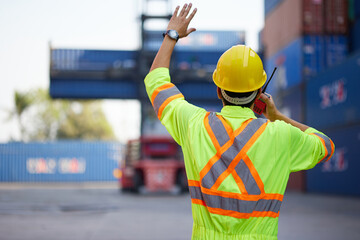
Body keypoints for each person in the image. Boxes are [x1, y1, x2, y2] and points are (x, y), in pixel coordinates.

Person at [144, 3, 335, 240]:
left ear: (218, 90)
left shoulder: (194, 125)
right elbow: (325, 145)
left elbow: (156, 83)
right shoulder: (281, 135)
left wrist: (171, 35)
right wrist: (277, 117)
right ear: (259, 93)